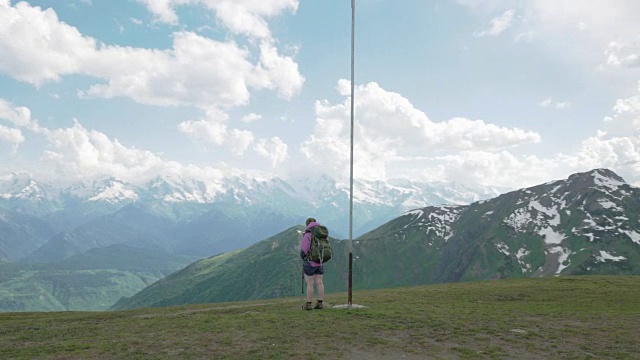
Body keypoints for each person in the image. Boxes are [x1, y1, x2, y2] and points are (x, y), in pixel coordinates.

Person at [300, 217, 325, 310]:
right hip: (320, 261)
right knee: (320, 282)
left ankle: (309, 304)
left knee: (310, 283)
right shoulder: (321, 234)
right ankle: (320, 303)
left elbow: (304, 250)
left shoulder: (307, 235)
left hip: (309, 263)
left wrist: (302, 257)